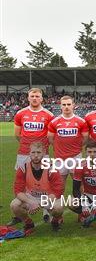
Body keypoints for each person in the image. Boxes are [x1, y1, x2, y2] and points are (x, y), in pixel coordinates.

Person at [11, 88, 54, 225]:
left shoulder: (48, 115)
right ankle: (20, 213)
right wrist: (28, 148)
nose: (34, 98)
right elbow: (17, 135)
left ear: (42, 99)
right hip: (24, 153)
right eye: (32, 96)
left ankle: (46, 210)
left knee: (46, 181)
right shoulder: (20, 113)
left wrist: (40, 150)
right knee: (21, 182)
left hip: (43, 154)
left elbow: (50, 135)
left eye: (37, 96)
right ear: (28, 98)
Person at [10, 142, 64, 231]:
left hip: (48, 197)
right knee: (14, 205)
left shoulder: (51, 168)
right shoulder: (23, 167)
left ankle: (55, 221)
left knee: (59, 207)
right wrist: (30, 202)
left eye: (38, 153)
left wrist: (39, 203)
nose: (36, 155)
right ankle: (28, 223)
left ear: (43, 153)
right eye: (33, 152)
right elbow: (18, 191)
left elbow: (58, 191)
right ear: (29, 153)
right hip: (31, 196)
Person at [48, 95, 89, 181]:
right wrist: (59, 148)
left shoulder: (81, 121)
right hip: (59, 157)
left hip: (76, 156)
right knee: (59, 185)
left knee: (78, 183)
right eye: (64, 104)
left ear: (73, 105)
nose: (66, 107)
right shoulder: (54, 122)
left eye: (69, 104)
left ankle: (79, 195)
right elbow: (50, 139)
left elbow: (85, 138)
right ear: (60, 106)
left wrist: (77, 148)